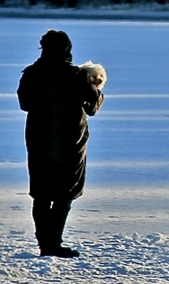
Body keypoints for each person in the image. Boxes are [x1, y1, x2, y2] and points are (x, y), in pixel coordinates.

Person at [17, 30, 104, 258]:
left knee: (42, 194)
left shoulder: (31, 73)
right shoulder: (77, 76)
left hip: (39, 139)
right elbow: (92, 107)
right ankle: (53, 243)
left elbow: (25, 104)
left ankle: (45, 244)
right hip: (70, 142)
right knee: (64, 194)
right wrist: (97, 90)